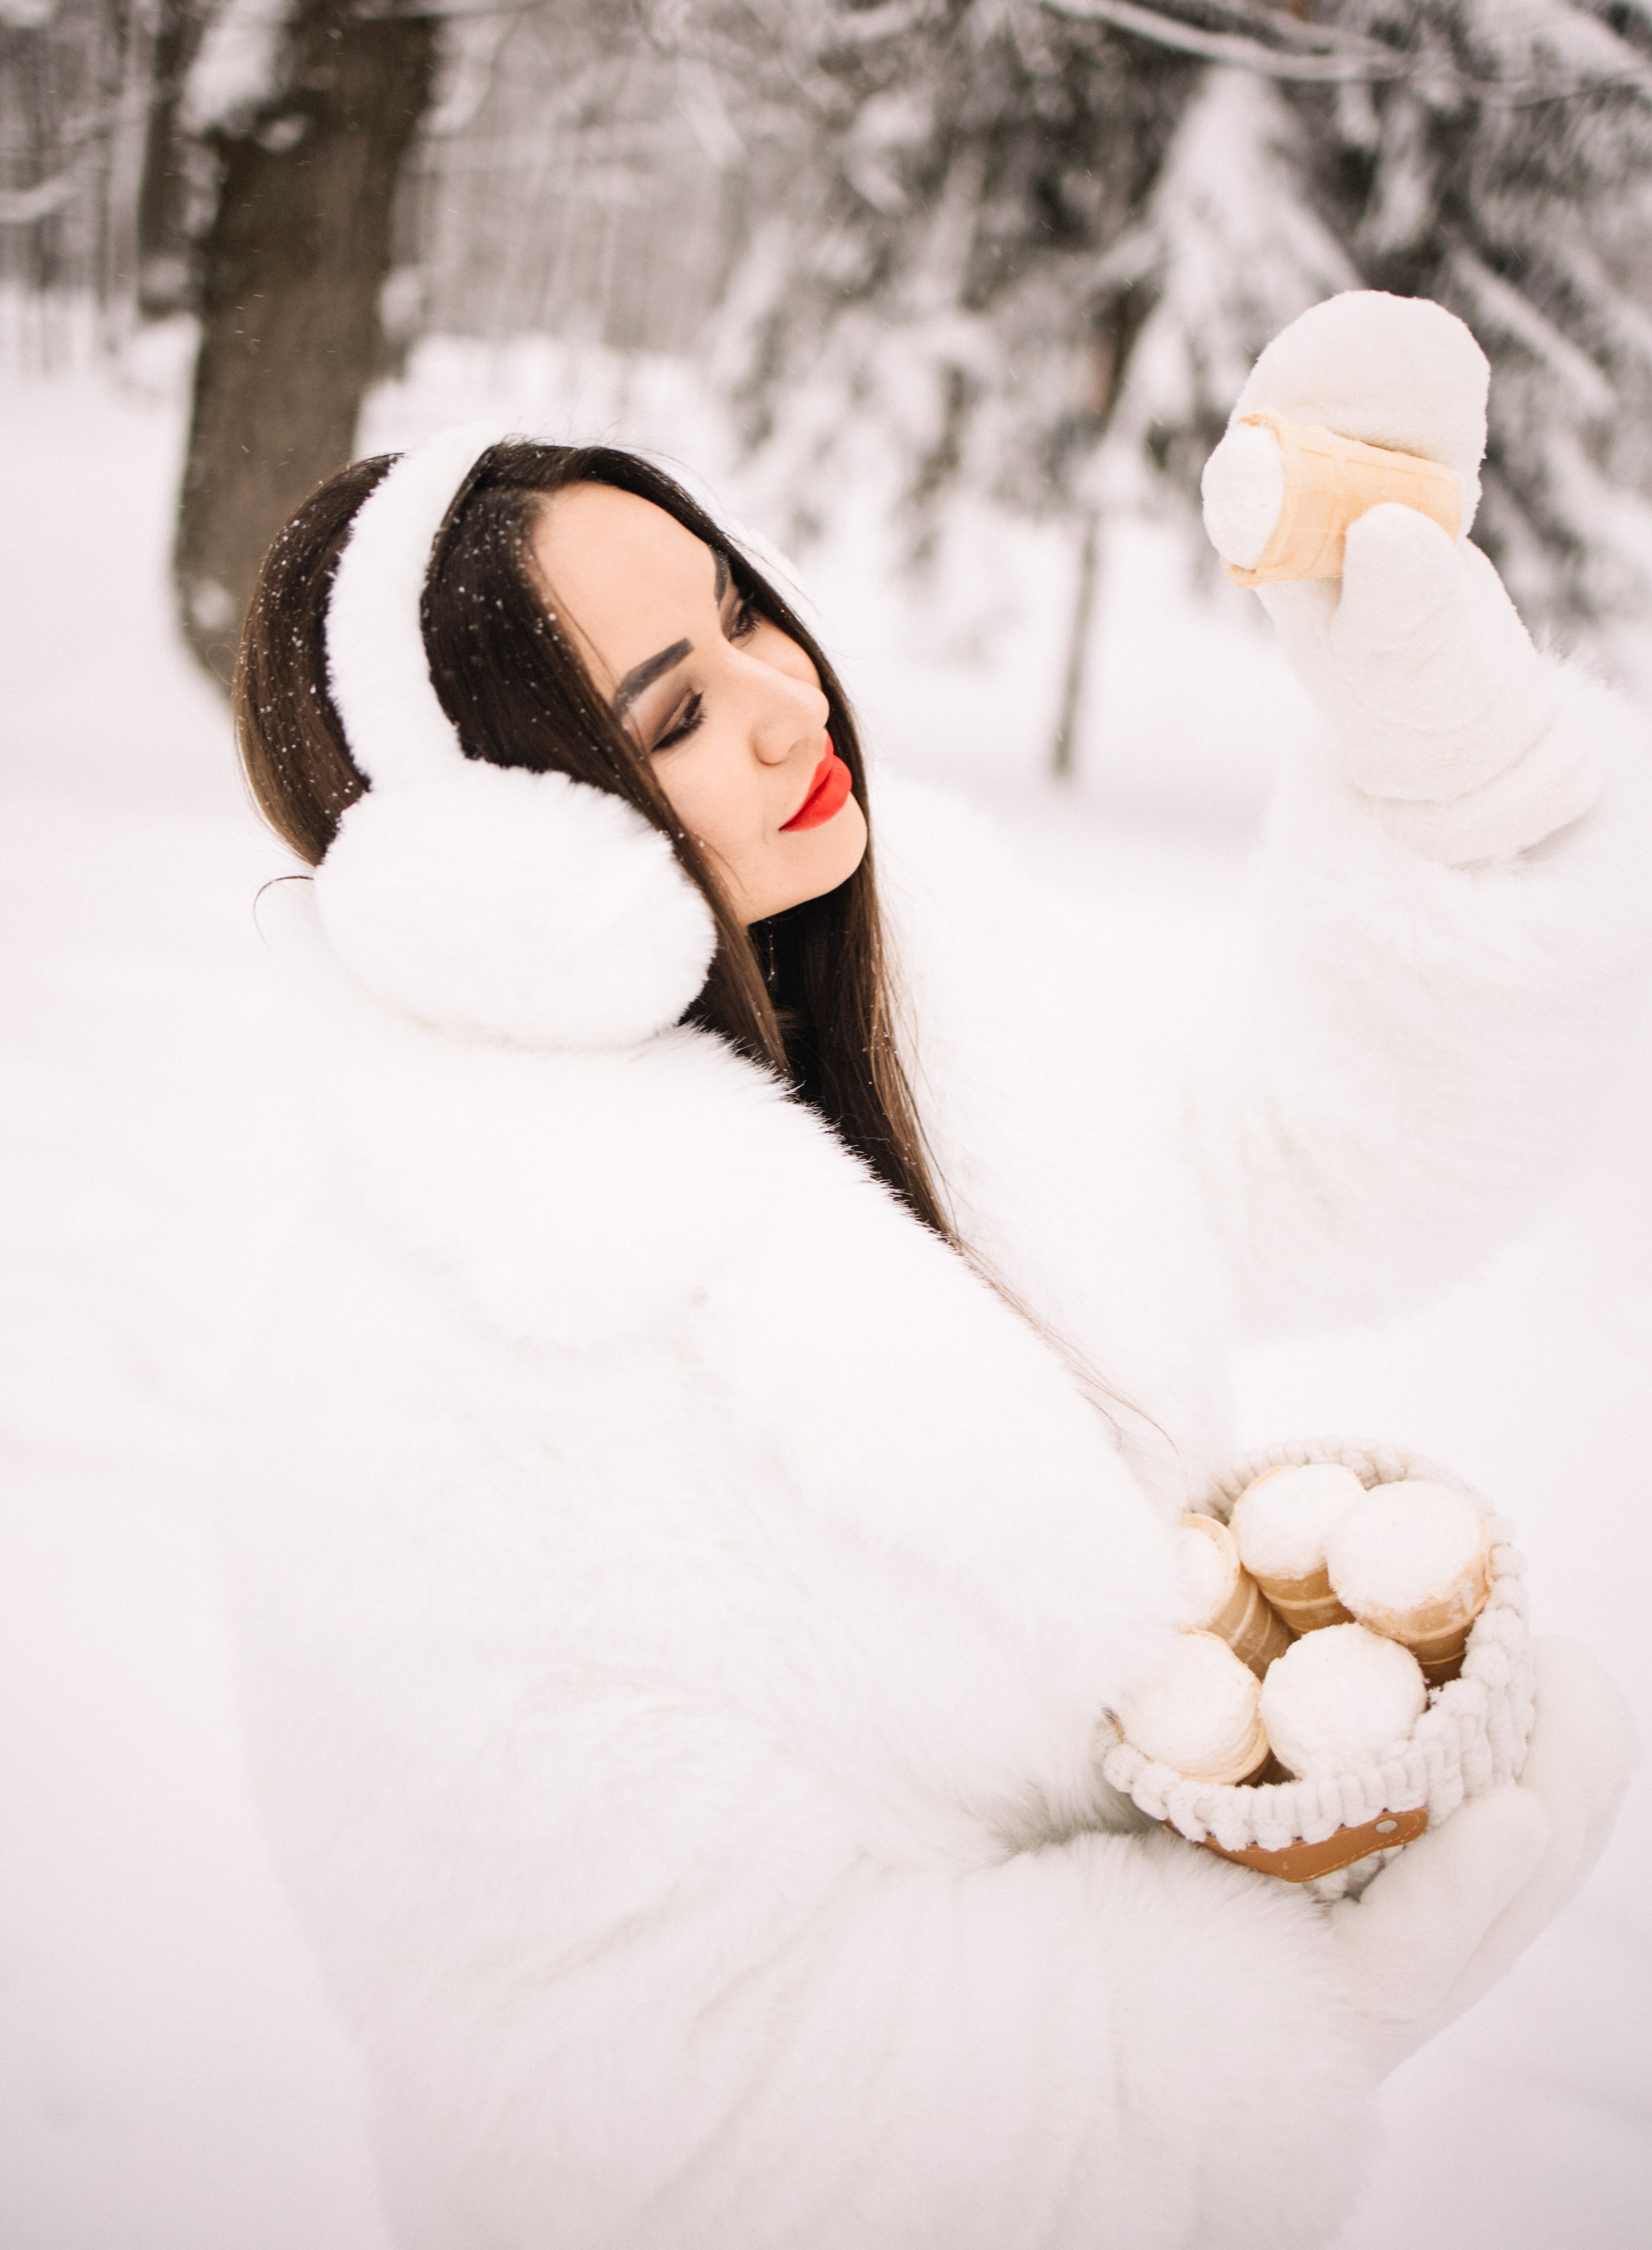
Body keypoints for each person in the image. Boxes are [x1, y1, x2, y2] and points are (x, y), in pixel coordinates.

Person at [226, 294, 1647, 2250]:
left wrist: (1451, 792)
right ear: (510, 858)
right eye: (671, 712)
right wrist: (1268, 2019)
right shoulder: (413, 1402)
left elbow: (1309, 1167)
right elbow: (632, 2101)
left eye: (741, 614)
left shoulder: (922, 993)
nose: (787, 698)